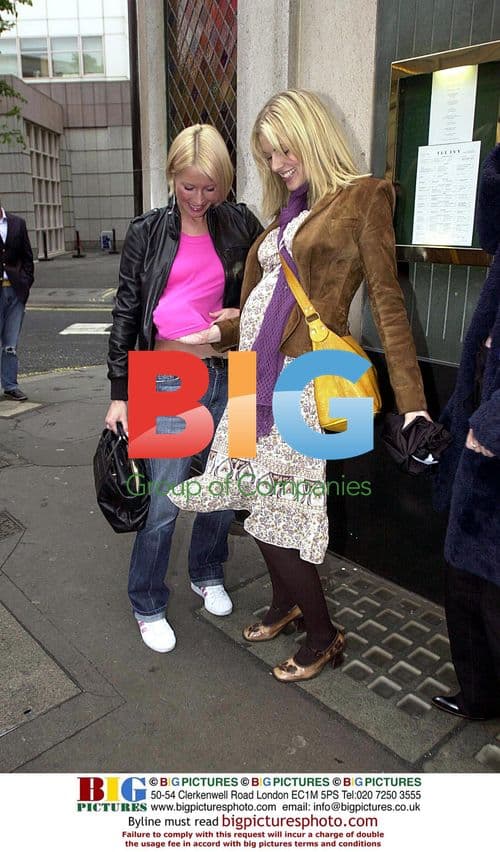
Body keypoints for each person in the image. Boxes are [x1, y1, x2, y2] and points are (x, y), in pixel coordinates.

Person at [169, 89, 431, 682]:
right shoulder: (285, 216)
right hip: (249, 379)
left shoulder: (362, 198)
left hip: (299, 383)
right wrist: (226, 328)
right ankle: (286, 603)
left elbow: (388, 304)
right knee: (252, 499)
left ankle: (323, 635)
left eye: (284, 149)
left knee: (280, 513)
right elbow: (263, 304)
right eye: (268, 155)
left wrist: (413, 404)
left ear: (312, 134)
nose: (278, 163)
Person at [105, 124, 262, 653]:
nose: (198, 199)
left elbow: (268, 288)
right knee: (165, 500)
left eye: (210, 187)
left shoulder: (240, 223)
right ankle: (147, 599)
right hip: (167, 376)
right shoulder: (147, 232)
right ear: (171, 176)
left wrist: (241, 310)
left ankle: (207, 571)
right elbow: (127, 312)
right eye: (188, 186)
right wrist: (120, 393)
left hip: (234, 373)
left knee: (224, 486)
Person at [432, 144, 500, 721]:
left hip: (493, 441)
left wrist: (491, 427)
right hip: (478, 437)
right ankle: (479, 695)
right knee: (463, 578)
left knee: (490, 588)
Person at [0, 202, 34, 401]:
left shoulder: (17, 223)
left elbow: (27, 257)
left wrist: (25, 282)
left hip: (15, 290)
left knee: (10, 344)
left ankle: (10, 385)